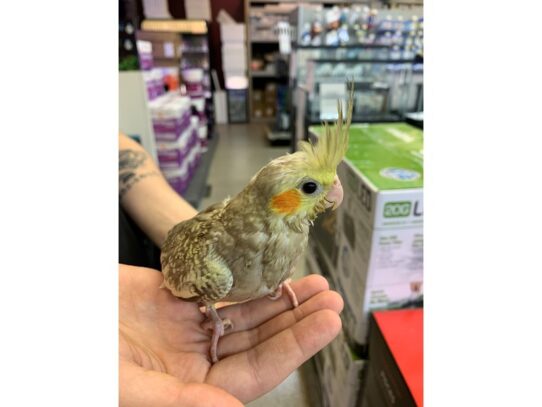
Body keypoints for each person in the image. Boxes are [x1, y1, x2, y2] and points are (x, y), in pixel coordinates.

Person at [118, 133, 343, 406]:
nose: (335, 188)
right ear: (277, 201)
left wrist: (276, 276)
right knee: (215, 280)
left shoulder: (296, 232)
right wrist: (212, 315)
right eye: (309, 188)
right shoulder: (214, 269)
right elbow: (179, 249)